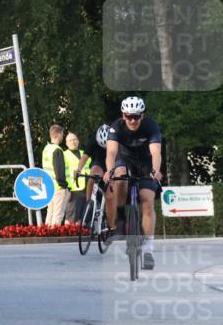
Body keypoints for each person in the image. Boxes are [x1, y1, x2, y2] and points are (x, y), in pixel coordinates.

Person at [102, 96, 163, 269]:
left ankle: (148, 250)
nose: (133, 120)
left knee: (147, 201)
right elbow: (111, 153)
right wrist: (110, 171)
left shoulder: (151, 126)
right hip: (124, 160)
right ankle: (120, 214)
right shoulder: (116, 127)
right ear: (123, 115)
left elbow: (156, 152)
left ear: (142, 115)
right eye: (129, 116)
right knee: (119, 178)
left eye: (136, 116)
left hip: (146, 163)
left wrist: (155, 170)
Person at [74, 124, 110, 215]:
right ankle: (88, 204)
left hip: (112, 161)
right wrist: (78, 169)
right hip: (99, 161)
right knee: (93, 175)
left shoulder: (116, 140)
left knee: (112, 184)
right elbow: (85, 157)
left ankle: (109, 208)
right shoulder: (92, 141)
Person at [41, 124, 69, 226]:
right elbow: (59, 169)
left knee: (50, 211)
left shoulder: (46, 148)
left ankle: (46, 232)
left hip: (49, 185)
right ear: (58, 134)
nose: (63, 136)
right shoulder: (57, 150)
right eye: (62, 134)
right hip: (58, 186)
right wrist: (64, 185)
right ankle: (55, 233)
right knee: (58, 212)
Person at [63, 132, 89, 224]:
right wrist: (67, 188)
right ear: (66, 143)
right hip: (73, 189)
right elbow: (63, 173)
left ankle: (79, 235)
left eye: (74, 139)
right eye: (70, 140)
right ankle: (67, 235)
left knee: (83, 215)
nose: (73, 142)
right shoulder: (64, 155)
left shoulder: (84, 154)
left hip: (86, 188)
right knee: (71, 215)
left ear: (78, 141)